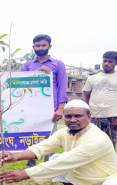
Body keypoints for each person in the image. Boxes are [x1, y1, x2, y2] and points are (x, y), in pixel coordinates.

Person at [0, 100, 117, 185]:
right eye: (68, 116)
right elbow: (43, 147)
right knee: (55, 158)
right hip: (86, 182)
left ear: (89, 117)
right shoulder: (65, 132)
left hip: (108, 181)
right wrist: (17, 157)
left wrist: (24, 174)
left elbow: (66, 161)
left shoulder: (97, 138)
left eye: (78, 116)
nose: (72, 120)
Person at [21, 34, 68, 168]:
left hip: (50, 109)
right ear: (33, 47)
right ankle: (31, 165)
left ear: (50, 46)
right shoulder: (27, 65)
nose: (40, 48)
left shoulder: (58, 65)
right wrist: (38, 71)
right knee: (31, 136)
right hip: (30, 108)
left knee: (50, 138)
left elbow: (62, 86)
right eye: (38, 46)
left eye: (43, 45)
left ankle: (48, 166)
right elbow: (20, 82)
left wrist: (60, 108)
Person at [82, 51, 117, 149]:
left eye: (110, 61)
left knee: (109, 146)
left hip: (112, 118)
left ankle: (108, 164)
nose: (106, 64)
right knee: (90, 144)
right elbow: (85, 96)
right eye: (104, 61)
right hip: (93, 117)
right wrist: (84, 114)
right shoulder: (92, 78)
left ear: (116, 63)